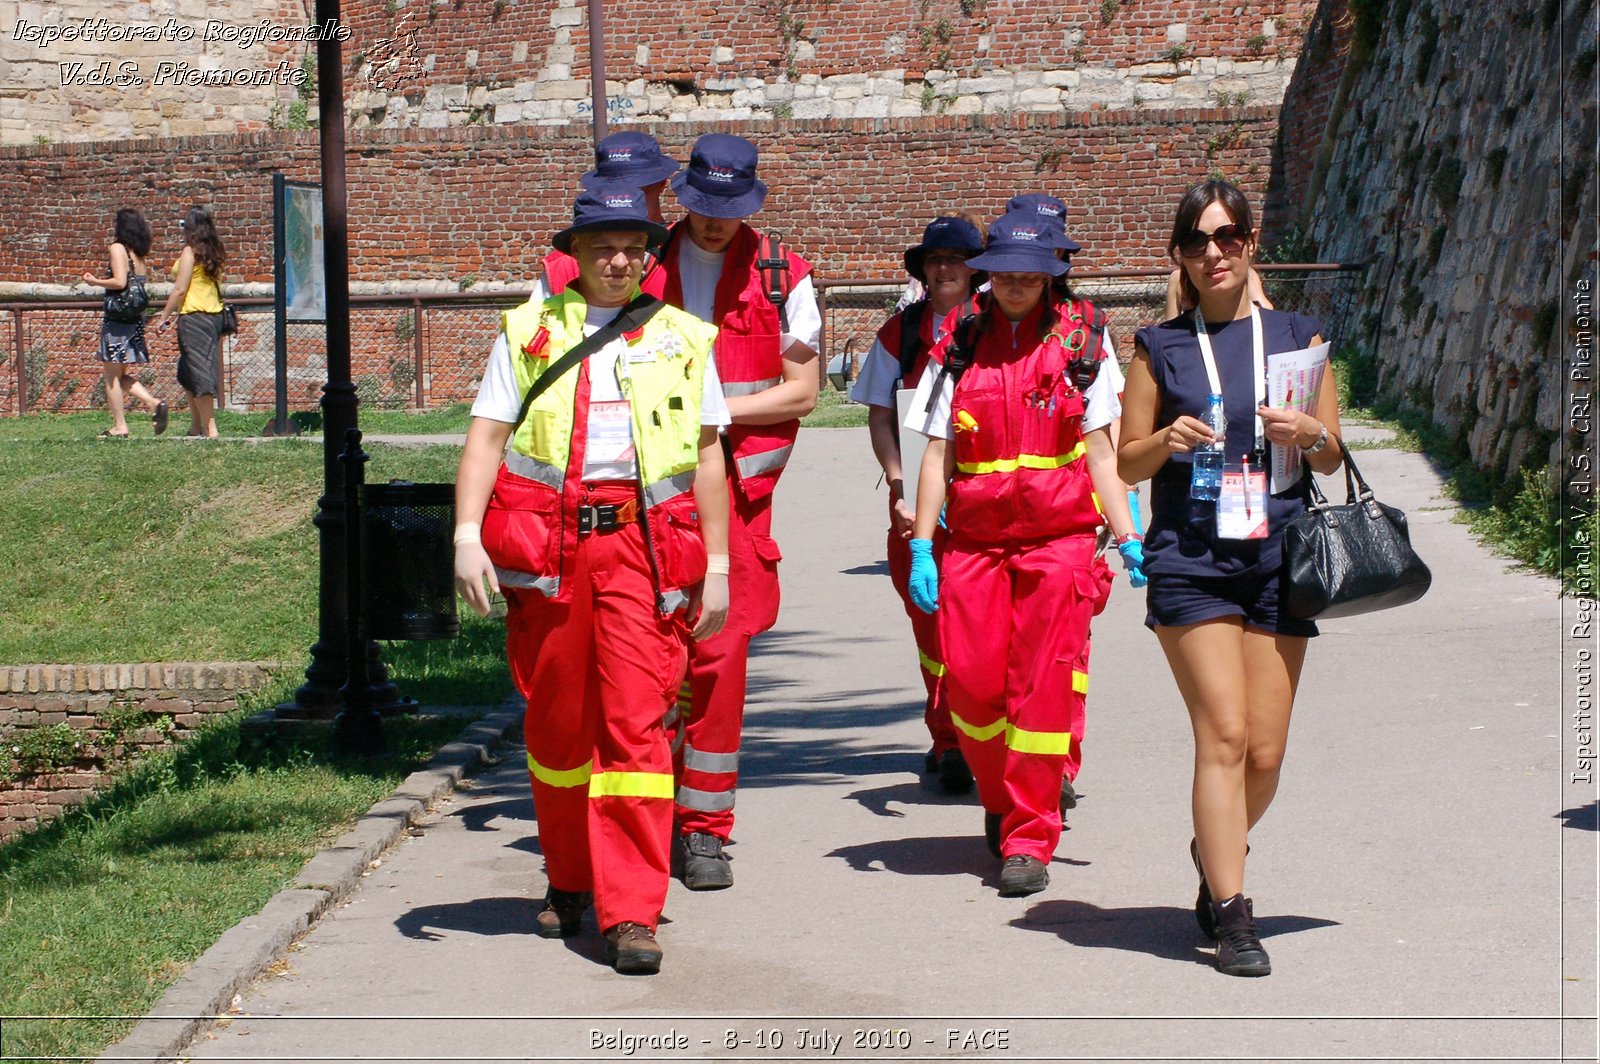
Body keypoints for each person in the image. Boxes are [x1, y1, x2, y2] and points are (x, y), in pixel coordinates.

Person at [453, 183, 731, 975]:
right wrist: (467, 536)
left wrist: (716, 564)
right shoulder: (530, 330)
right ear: (573, 252)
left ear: (647, 254)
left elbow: (708, 456)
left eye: (633, 246)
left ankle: (633, 913)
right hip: (552, 556)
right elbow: (486, 439)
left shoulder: (683, 337)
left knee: (639, 728)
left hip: (644, 553)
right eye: (603, 245)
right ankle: (571, 879)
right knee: (558, 730)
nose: (619, 259)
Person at [1117, 179, 1343, 977]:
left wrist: (1313, 430)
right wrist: (1166, 440)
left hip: (1280, 554)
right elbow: (1124, 458)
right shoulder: (1160, 346)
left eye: (1226, 238)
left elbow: (1332, 454)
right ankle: (1234, 913)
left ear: (1250, 244)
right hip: (1192, 560)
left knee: (1267, 753)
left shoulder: (1298, 338)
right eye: (1196, 242)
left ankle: (1215, 851)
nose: (1212, 253)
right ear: (1181, 256)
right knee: (1224, 734)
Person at [902, 210, 1129, 898]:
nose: (1015, 285)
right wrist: (921, 542)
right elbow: (938, 453)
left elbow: (1100, 451)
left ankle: (1030, 834)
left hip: (1057, 541)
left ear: (1051, 276)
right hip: (974, 544)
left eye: (1029, 275)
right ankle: (1000, 798)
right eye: (1003, 273)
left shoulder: (1082, 343)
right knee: (969, 686)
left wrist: (1129, 533)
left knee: (1040, 690)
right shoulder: (958, 341)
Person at [655, 133, 821, 891]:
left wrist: (714, 412)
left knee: (719, 663)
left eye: (731, 209)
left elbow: (804, 392)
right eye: (702, 206)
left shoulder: (782, 272)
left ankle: (704, 831)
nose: (715, 222)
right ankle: (646, 814)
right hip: (648, 498)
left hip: (743, 507)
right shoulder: (640, 262)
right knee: (649, 663)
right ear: (681, 196)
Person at [1003, 192, 1146, 817]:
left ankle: (1057, 762)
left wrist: (1125, 524)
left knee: (1063, 657)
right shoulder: (982, 325)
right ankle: (1017, 762)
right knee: (1005, 656)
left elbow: (1106, 437)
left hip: (1073, 521)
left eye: (1056, 251)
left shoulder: (1086, 333)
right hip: (997, 521)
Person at [850, 213, 986, 794]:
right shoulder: (899, 333)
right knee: (931, 630)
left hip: (984, 499)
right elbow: (881, 415)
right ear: (923, 271)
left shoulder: (996, 325)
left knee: (986, 627)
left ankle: (998, 742)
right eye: (935, 260)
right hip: (914, 504)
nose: (945, 268)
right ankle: (949, 741)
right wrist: (900, 483)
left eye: (956, 258)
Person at [539, 131, 679, 298]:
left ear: (662, 184)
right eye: (613, 190)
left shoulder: (689, 251)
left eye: (637, 189)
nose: (625, 198)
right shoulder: (561, 267)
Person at [82, 208, 167, 438]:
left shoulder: (117, 248)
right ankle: (153, 403)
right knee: (119, 374)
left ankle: (120, 426)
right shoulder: (138, 254)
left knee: (111, 376)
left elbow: (119, 282)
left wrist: (94, 281)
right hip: (134, 320)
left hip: (117, 321)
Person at [153, 206, 227, 439]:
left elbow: (180, 289)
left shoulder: (190, 252)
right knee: (187, 372)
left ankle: (210, 428)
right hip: (213, 316)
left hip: (194, 317)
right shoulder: (215, 252)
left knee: (199, 372)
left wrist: (164, 317)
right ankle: (195, 426)